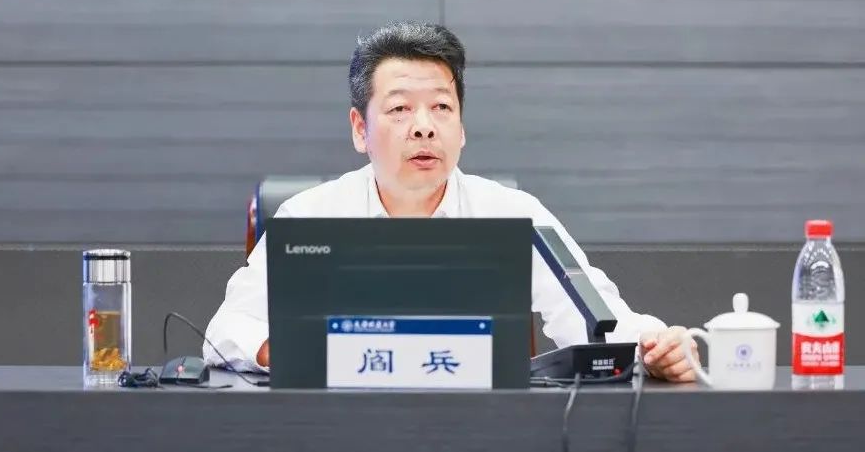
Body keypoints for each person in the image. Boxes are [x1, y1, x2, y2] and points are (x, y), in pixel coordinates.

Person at [204, 21, 699, 382]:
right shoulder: (310, 216)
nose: (424, 126)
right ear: (360, 129)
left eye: (442, 106)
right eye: (400, 108)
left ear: (461, 128)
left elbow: (602, 322)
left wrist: (658, 347)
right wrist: (297, 351)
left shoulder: (514, 215)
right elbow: (227, 329)